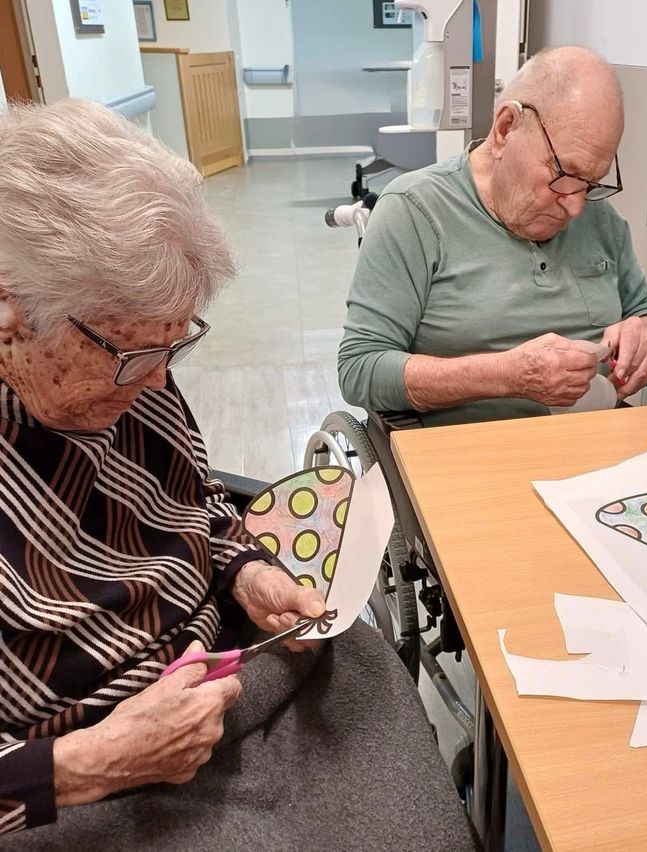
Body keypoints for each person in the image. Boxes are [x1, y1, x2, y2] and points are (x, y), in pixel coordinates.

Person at [0, 99, 474, 851]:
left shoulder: (125, 360)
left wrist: (245, 569)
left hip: (228, 669)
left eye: (173, 347)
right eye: (131, 356)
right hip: (78, 766)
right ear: (10, 308)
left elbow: (200, 508)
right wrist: (82, 767)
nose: (156, 387)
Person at [338, 46, 647, 426]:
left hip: (593, 442)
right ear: (505, 129)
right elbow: (360, 369)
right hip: (470, 452)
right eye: (564, 175)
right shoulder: (415, 211)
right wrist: (508, 375)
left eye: (592, 183)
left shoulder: (598, 217)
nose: (577, 207)